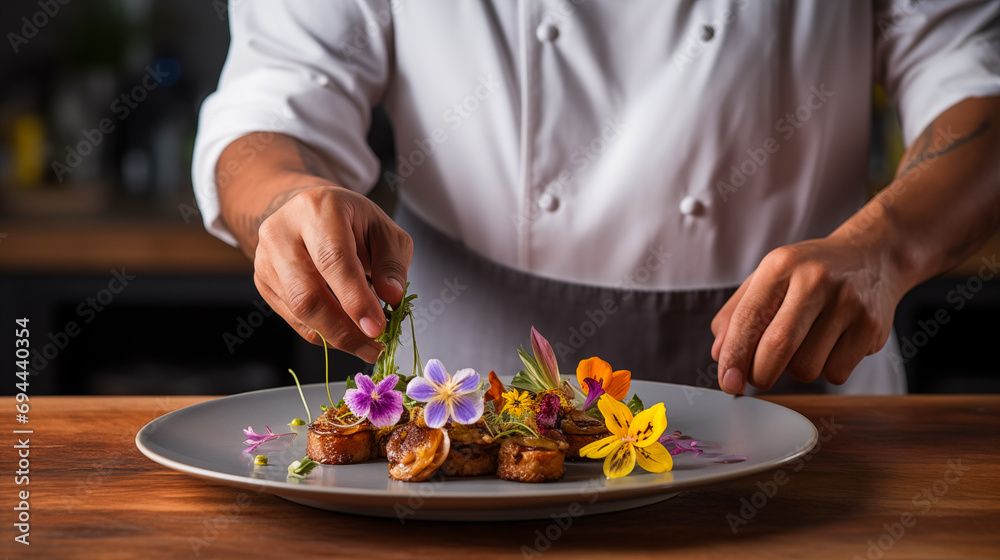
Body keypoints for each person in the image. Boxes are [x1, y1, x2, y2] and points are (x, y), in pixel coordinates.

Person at [193, 2, 1000, 395]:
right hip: (469, 392)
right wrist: (283, 205)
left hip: (797, 375)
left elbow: (976, 83)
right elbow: (272, 99)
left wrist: (883, 249)